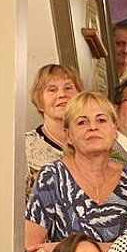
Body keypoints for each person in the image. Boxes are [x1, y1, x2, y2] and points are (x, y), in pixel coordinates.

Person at [25, 92, 127, 252]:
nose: (93, 127)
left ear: (115, 129)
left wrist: (70, 250)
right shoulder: (52, 177)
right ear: (68, 135)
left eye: (101, 120)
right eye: (82, 122)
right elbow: (30, 251)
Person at [26, 63, 84, 199]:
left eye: (68, 88)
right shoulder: (25, 146)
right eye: (52, 90)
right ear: (39, 100)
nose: (62, 95)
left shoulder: (94, 140)